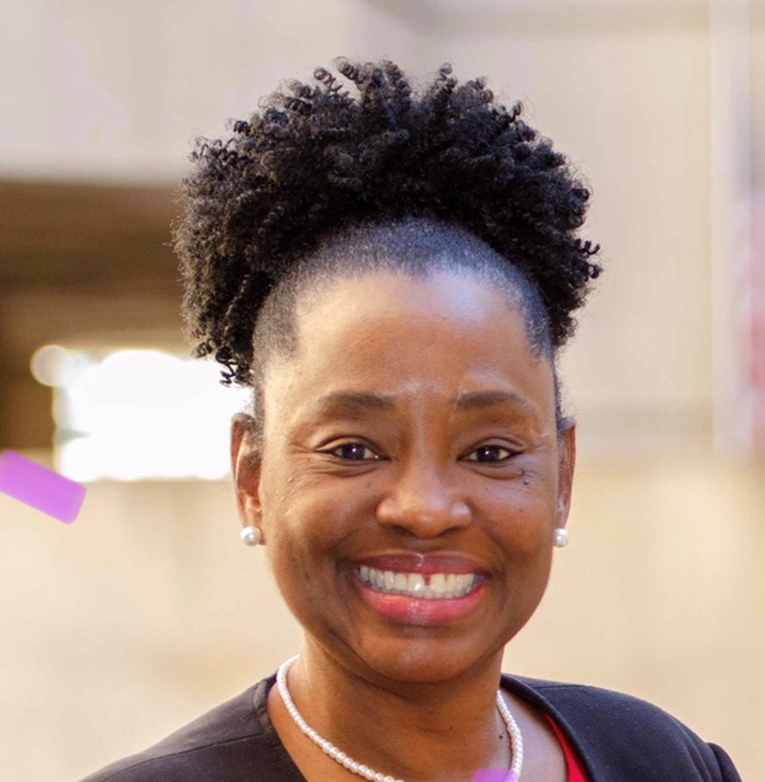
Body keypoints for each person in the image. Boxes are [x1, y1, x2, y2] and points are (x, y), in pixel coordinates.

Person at [82, 59, 741, 782]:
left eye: (490, 453)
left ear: (562, 478)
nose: (424, 510)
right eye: (353, 449)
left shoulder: (659, 761)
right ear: (252, 480)